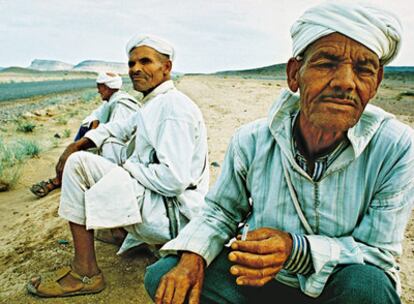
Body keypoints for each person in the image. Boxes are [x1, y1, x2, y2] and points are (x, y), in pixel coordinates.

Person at [144, 2, 414, 304]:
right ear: (294, 73)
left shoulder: (396, 146)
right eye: (326, 63)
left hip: (336, 287)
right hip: (259, 281)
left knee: (369, 287)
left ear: (376, 84)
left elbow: (376, 252)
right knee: (167, 275)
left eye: (364, 70)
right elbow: (220, 211)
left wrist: (296, 250)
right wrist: (194, 254)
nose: (345, 82)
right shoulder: (252, 140)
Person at [26, 34, 209, 298]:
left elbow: (174, 179)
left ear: (166, 67)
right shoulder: (154, 103)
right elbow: (121, 128)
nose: (135, 69)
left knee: (79, 166)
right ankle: (119, 230)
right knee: (101, 149)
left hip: (174, 215)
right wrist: (76, 145)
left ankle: (85, 273)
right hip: (161, 205)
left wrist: (126, 168)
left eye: (145, 61)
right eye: (132, 63)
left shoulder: (171, 108)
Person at [29, 72, 140, 198]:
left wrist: (87, 139)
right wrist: (94, 123)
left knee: (86, 144)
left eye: (100, 86)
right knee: (85, 129)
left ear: (107, 87)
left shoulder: (123, 104)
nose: (98, 90)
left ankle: (60, 179)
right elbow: (94, 115)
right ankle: (63, 175)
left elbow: (118, 134)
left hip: (121, 155)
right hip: (107, 145)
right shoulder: (111, 101)